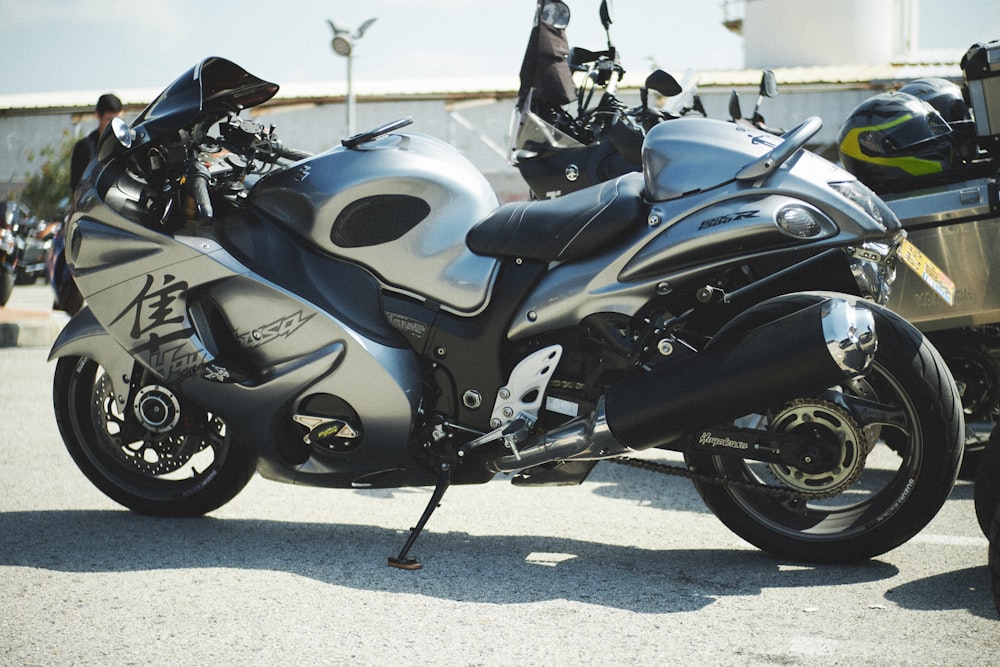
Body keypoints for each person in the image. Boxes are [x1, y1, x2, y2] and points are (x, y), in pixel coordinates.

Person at [69, 93, 123, 195]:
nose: (115, 126)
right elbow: (76, 186)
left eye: (119, 120)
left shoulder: (126, 146)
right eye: (109, 120)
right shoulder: (85, 147)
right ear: (98, 115)